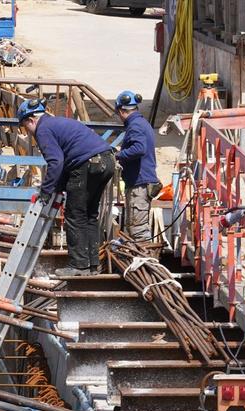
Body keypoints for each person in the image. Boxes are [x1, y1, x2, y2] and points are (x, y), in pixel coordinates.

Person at [16, 100, 116, 277]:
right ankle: (93, 265)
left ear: (31, 120)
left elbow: (56, 162)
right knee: (89, 214)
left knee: (75, 214)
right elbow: (65, 161)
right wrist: (58, 186)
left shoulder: (43, 129)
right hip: (106, 161)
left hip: (87, 164)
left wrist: (46, 192)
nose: (28, 132)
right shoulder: (57, 122)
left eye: (25, 126)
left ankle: (79, 265)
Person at [114, 90, 161, 248]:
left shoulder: (135, 126)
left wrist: (119, 155)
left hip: (139, 184)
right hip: (140, 182)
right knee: (132, 229)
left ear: (121, 111)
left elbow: (139, 148)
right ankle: (139, 259)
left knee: (138, 231)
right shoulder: (141, 123)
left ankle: (147, 261)